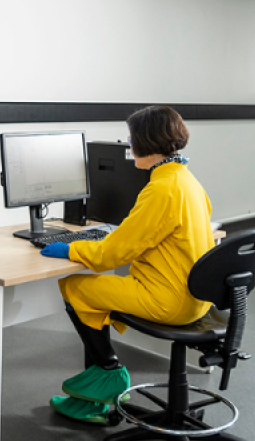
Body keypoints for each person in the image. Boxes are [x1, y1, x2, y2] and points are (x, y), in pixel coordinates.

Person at [41, 106, 214, 424]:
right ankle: (92, 395)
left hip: (168, 301)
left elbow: (112, 255)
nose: (129, 144)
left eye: (132, 137)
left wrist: (72, 249)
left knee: (74, 285)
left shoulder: (162, 189)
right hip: (196, 299)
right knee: (92, 287)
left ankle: (109, 371)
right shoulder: (187, 181)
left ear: (145, 142)